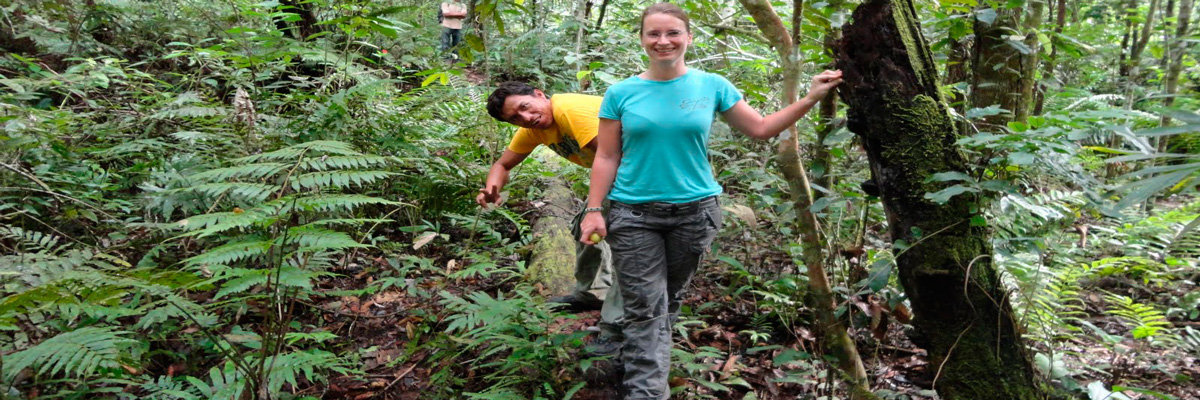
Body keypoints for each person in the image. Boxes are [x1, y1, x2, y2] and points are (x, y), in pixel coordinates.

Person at [577, 3, 843, 398]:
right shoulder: (621, 92)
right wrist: (594, 210)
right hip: (634, 214)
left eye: (672, 33)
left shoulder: (712, 85)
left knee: (666, 301)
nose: (663, 41)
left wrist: (810, 97)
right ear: (642, 39)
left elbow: (761, 129)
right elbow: (607, 156)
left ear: (688, 37)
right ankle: (646, 390)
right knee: (647, 306)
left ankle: (634, 357)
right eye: (654, 34)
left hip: (695, 214)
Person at [481, 81, 623, 344]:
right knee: (584, 226)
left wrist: (598, 208)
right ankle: (593, 293)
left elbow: (614, 155)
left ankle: (620, 327)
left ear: (539, 94)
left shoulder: (568, 109)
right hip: (622, 173)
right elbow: (502, 164)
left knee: (629, 242)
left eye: (524, 107)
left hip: (644, 168)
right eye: (515, 118)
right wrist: (492, 189)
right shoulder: (534, 129)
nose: (525, 118)